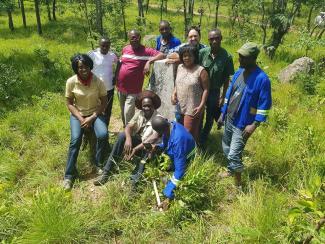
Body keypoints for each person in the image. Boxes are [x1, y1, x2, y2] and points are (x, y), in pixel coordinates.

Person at [218, 42, 272, 186]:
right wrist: (223, 114)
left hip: (243, 123)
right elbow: (229, 94)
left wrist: (254, 124)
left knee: (234, 154)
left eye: (243, 57)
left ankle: (238, 184)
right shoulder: (238, 72)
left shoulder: (262, 79)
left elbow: (264, 105)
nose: (240, 60)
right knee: (226, 147)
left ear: (253, 58)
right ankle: (230, 169)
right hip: (230, 118)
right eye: (239, 56)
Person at [93, 90, 162, 186]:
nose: (146, 108)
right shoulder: (140, 113)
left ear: (153, 106)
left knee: (147, 154)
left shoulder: (158, 119)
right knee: (122, 135)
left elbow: (152, 139)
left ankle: (134, 183)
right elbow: (128, 126)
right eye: (144, 106)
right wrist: (129, 139)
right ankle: (106, 172)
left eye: (149, 105)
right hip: (138, 142)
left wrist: (135, 149)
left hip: (149, 147)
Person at [64, 54, 108, 190]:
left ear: (90, 66)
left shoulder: (98, 81)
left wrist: (92, 117)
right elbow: (69, 103)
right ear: (76, 69)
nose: (84, 69)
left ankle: (98, 163)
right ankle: (69, 175)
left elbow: (104, 102)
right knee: (75, 140)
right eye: (80, 67)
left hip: (95, 114)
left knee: (102, 135)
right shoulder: (71, 82)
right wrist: (81, 118)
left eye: (86, 66)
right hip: (78, 115)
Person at [117, 29, 164, 126]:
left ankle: (130, 134)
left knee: (128, 113)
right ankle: (126, 130)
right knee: (123, 112)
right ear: (129, 39)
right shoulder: (125, 49)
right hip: (120, 88)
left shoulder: (146, 51)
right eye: (132, 38)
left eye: (137, 37)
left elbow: (162, 55)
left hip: (133, 90)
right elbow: (120, 63)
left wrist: (149, 61)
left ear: (140, 38)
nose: (135, 39)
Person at [150, 116, 196, 210]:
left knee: (178, 174)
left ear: (161, 131)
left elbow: (180, 170)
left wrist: (168, 194)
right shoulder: (170, 126)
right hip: (181, 150)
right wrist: (158, 146)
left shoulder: (178, 141)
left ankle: (170, 193)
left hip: (188, 157)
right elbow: (167, 142)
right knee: (166, 170)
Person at [199, 29, 234, 146]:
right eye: (211, 39)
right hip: (200, 90)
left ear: (221, 38)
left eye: (217, 38)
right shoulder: (202, 53)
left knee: (209, 116)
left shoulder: (227, 57)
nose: (214, 41)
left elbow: (226, 79)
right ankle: (196, 134)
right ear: (208, 40)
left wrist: (222, 97)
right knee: (199, 113)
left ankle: (203, 138)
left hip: (214, 91)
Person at [171, 45, 209, 142]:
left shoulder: (201, 70)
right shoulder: (180, 67)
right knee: (179, 132)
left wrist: (201, 105)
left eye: (189, 55)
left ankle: (192, 155)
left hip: (193, 107)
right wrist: (173, 93)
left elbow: (206, 89)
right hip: (180, 106)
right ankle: (182, 153)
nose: (187, 58)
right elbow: (177, 82)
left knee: (189, 134)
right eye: (184, 56)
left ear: (195, 56)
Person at [88, 37, 118, 126]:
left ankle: (105, 128)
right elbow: (85, 65)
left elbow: (120, 64)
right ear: (99, 45)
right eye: (103, 46)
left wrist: (116, 76)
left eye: (107, 46)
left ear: (109, 46)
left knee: (107, 109)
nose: (105, 48)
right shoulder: (92, 55)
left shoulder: (112, 55)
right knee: (94, 108)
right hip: (95, 87)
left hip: (109, 88)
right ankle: (92, 128)